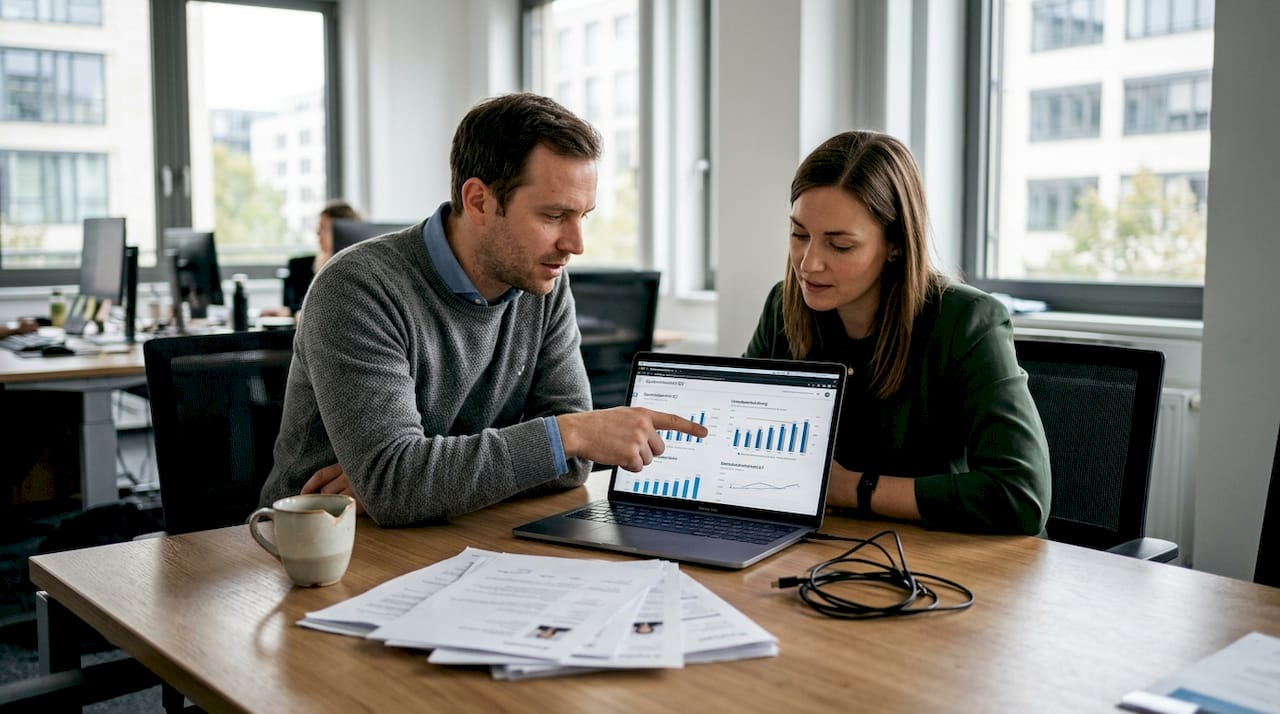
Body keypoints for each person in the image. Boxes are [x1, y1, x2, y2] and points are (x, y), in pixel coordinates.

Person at [259, 93, 707, 526]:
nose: (576, 245)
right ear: (478, 201)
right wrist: (570, 433)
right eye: (554, 216)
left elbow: (571, 469)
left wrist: (420, 475)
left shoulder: (545, 284)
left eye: (582, 216)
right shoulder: (358, 286)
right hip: (319, 547)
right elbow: (397, 487)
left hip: (459, 532)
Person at [744, 131, 1050, 535]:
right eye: (800, 235)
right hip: (827, 547)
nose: (808, 264)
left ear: (894, 245)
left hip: (947, 561)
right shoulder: (784, 308)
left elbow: (1020, 497)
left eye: (840, 246)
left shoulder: (968, 321)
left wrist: (851, 490)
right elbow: (739, 438)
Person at [261, 199, 362, 317]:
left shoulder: (355, 271)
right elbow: (294, 305)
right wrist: (290, 312)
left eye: (324, 229)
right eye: (318, 228)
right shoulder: (299, 265)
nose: (318, 234)